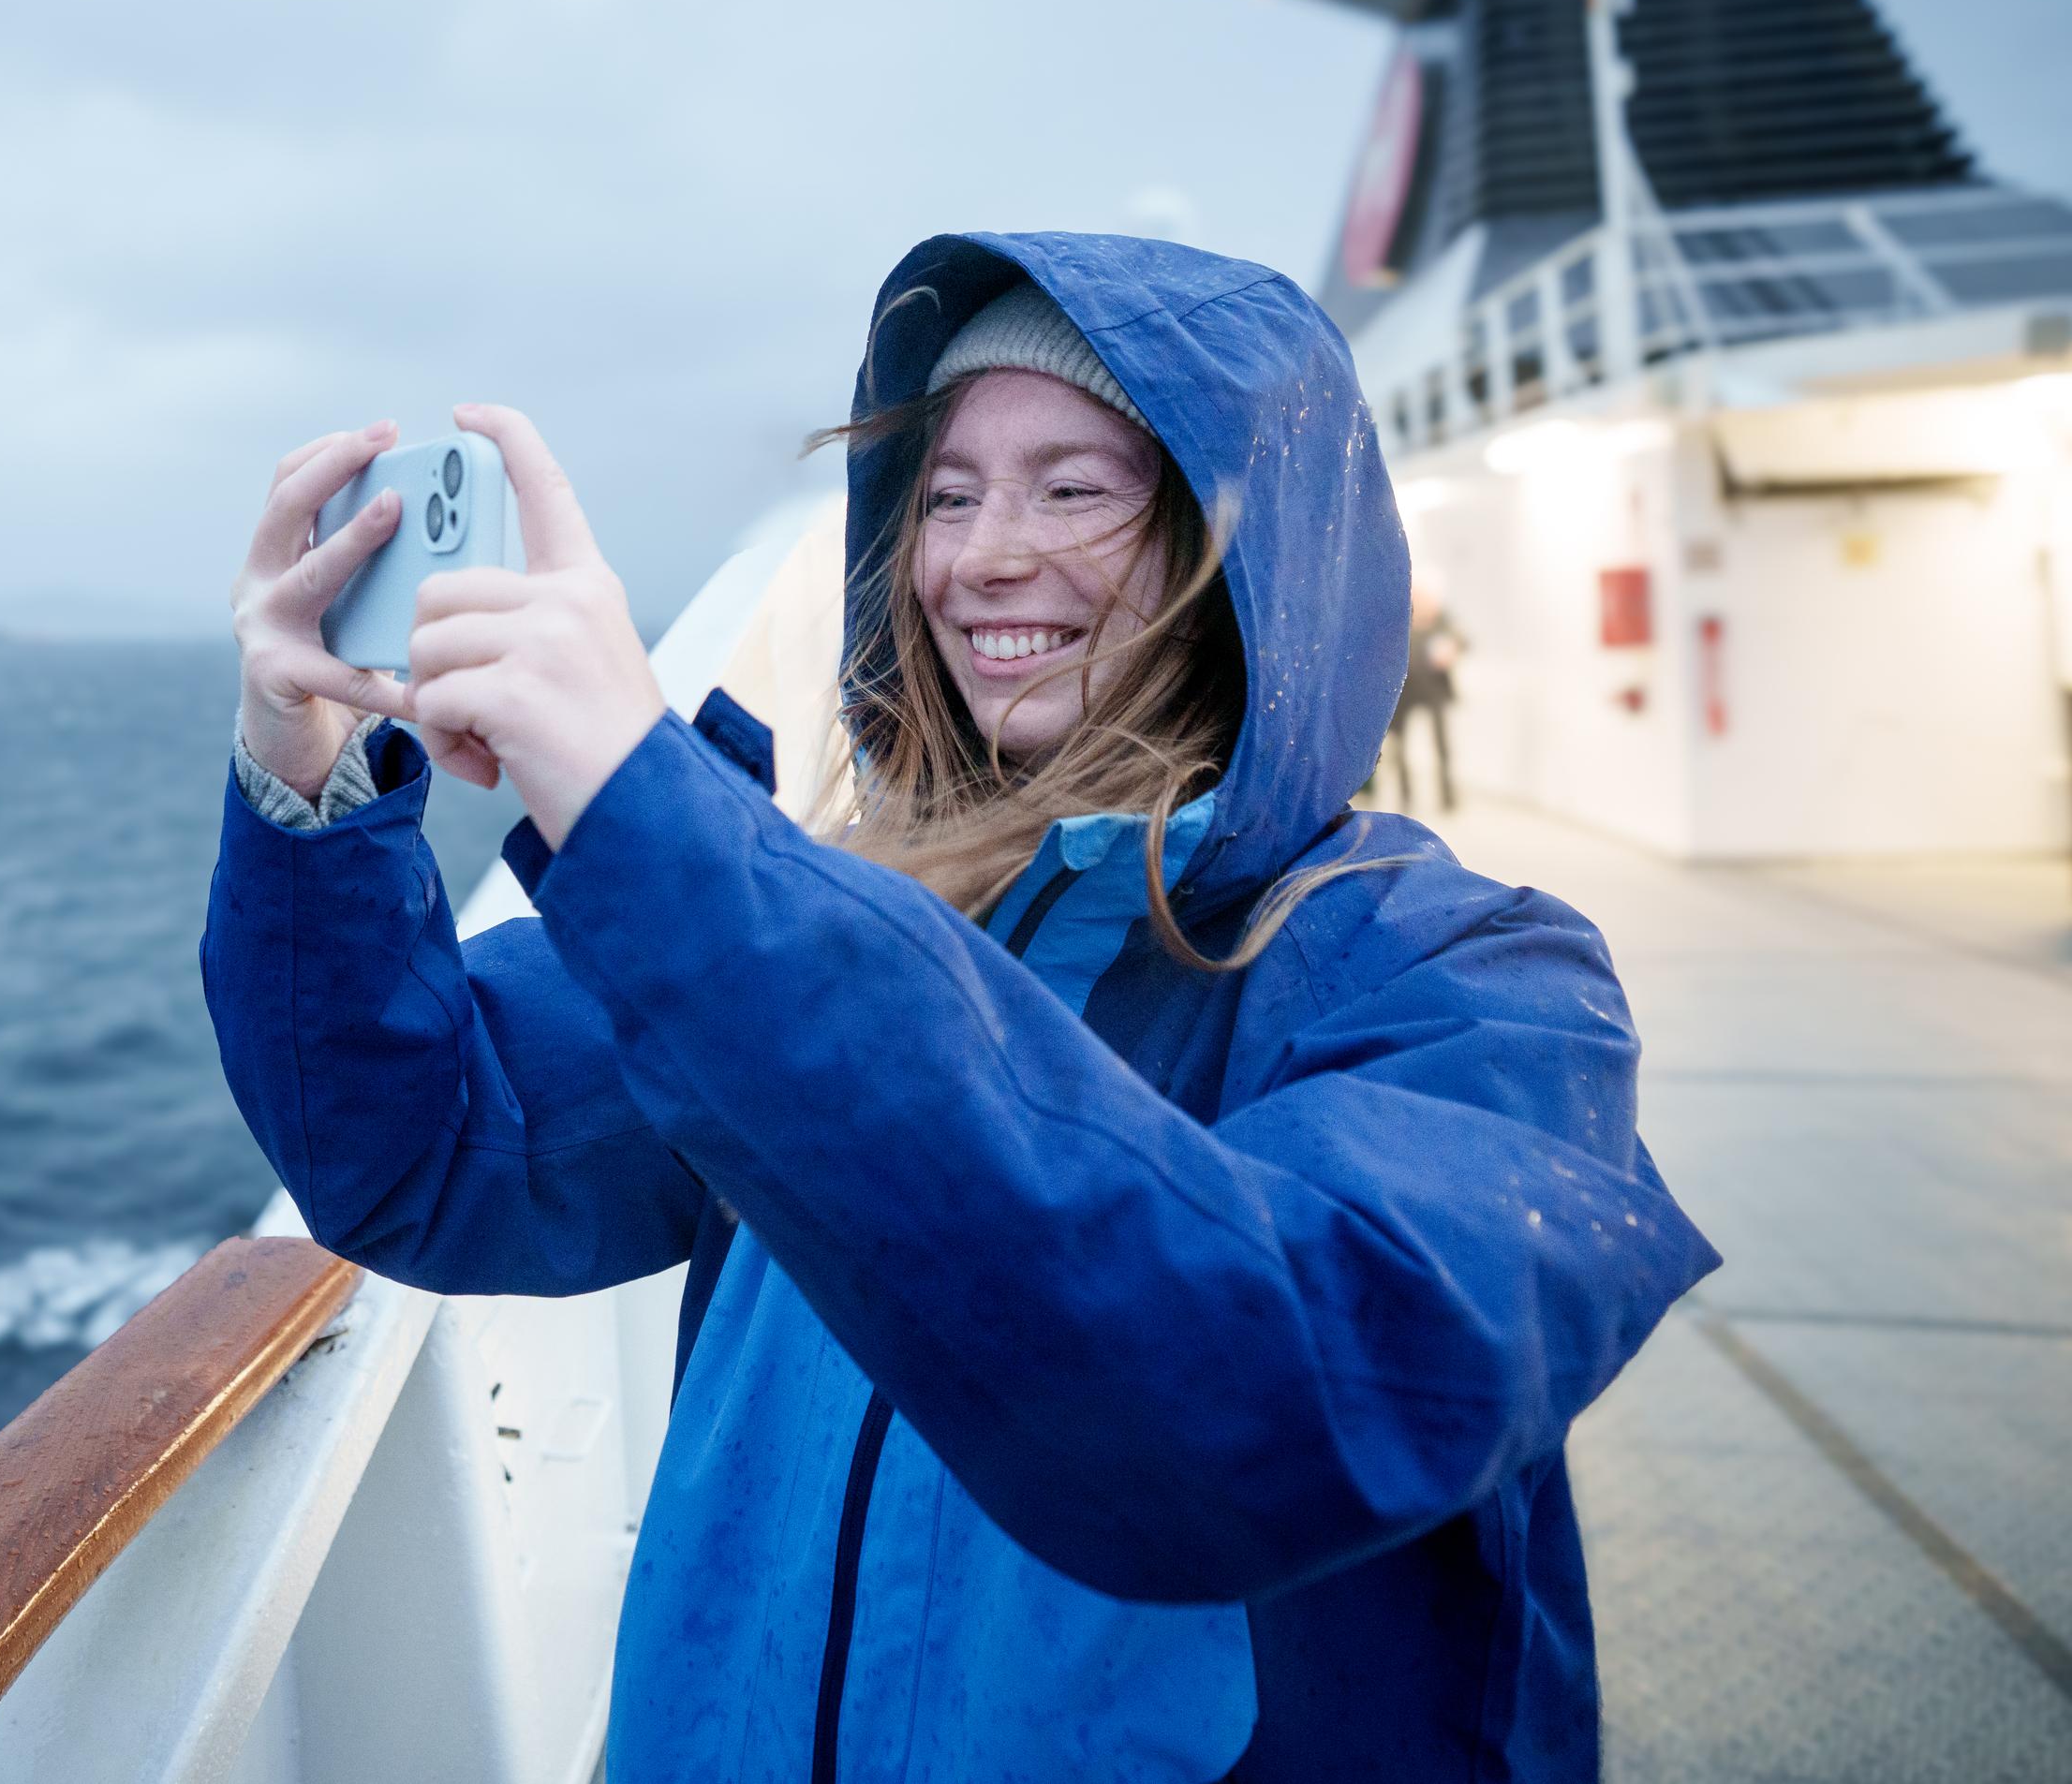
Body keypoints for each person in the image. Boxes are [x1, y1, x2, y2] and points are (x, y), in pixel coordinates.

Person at [205, 233, 1716, 1781]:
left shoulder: (1474, 985)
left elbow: (1261, 1397)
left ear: (1249, 551)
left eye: (1073, 488)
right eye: (943, 493)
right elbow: (434, 1150)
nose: (984, 554)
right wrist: (300, 761)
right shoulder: (827, 917)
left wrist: (651, 812)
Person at [1385, 577, 1464, 814]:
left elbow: (1462, 639)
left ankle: (1447, 794)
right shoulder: (1402, 621)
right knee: (1400, 747)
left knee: (1442, 745)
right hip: (1407, 691)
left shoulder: (1443, 623)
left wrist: (1452, 648)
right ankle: (1406, 795)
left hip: (1434, 690)